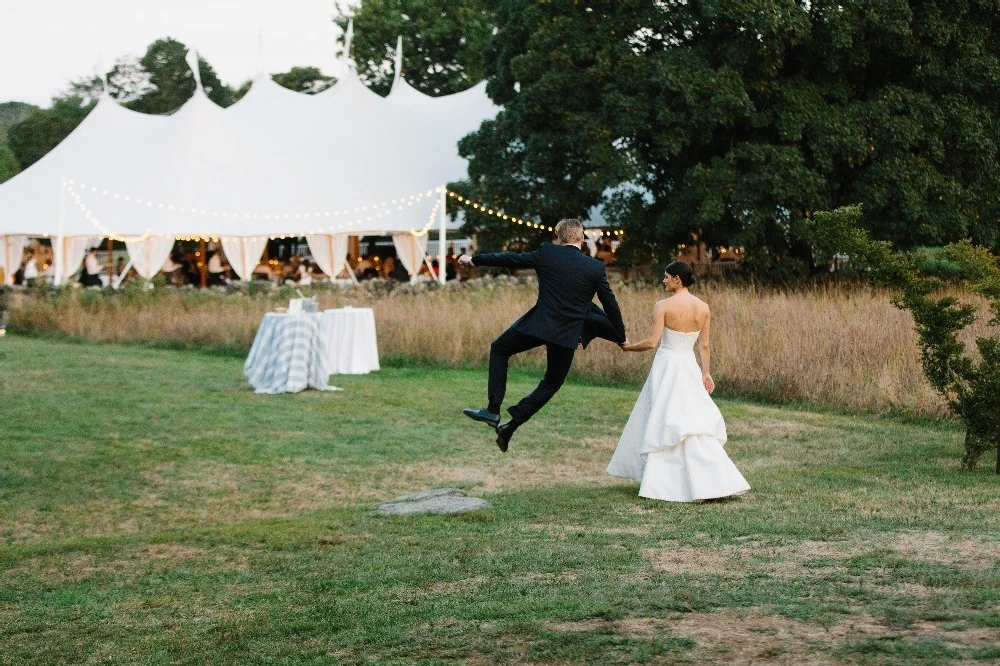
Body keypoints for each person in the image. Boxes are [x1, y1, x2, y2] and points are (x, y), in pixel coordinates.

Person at [458, 218, 626, 452]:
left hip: (539, 326)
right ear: (581, 237)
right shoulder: (594, 267)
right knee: (551, 383)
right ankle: (511, 421)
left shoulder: (547, 254)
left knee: (500, 349)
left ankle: (495, 413)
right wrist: (622, 336)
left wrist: (474, 259)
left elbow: (509, 258)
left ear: (559, 237)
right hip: (566, 336)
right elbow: (611, 304)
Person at [607, 261, 750, 502]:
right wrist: (706, 373)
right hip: (689, 365)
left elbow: (652, 342)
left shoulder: (663, 305)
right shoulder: (703, 307)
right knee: (690, 418)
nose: (663, 281)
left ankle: (665, 482)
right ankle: (707, 482)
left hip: (667, 365)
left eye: (666, 277)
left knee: (666, 416)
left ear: (677, 280)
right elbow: (704, 346)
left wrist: (628, 347)